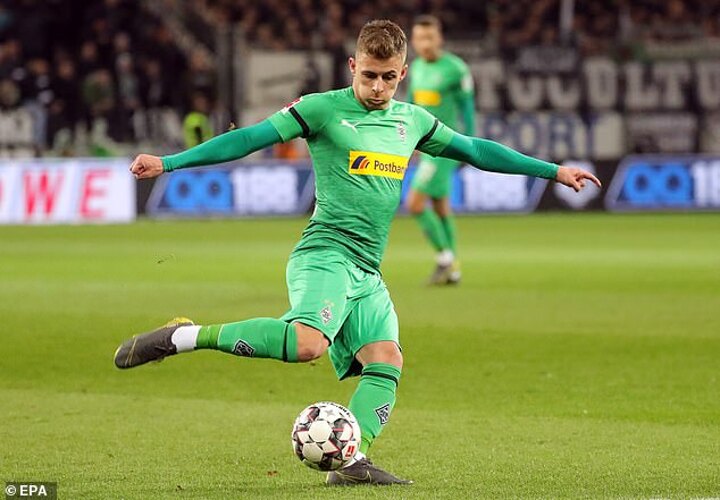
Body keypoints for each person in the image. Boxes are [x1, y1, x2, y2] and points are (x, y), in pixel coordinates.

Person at [113, 19, 600, 486]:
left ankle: (351, 458)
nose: (377, 87)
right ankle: (185, 336)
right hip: (325, 251)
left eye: (388, 77)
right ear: (352, 66)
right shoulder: (321, 109)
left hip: (367, 268)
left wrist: (553, 171)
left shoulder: (413, 121)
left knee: (386, 359)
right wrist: (169, 162)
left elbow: (475, 149)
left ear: (403, 74)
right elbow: (248, 138)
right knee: (308, 344)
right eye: (368, 75)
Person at [406, 15, 476, 285]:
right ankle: (454, 269)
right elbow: (411, 105)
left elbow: (467, 108)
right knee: (441, 207)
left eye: (429, 37)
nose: (424, 43)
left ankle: (444, 258)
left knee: (414, 203)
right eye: (419, 38)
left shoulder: (456, 69)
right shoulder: (416, 68)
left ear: (440, 38)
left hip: (445, 146)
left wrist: (469, 146)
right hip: (426, 148)